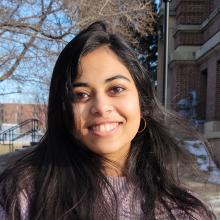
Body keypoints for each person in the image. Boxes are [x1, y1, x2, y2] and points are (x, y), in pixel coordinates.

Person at [0, 21, 216, 220]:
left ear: (143, 102)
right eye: (80, 94)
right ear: (63, 110)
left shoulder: (184, 211)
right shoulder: (21, 198)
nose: (101, 107)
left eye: (116, 89)